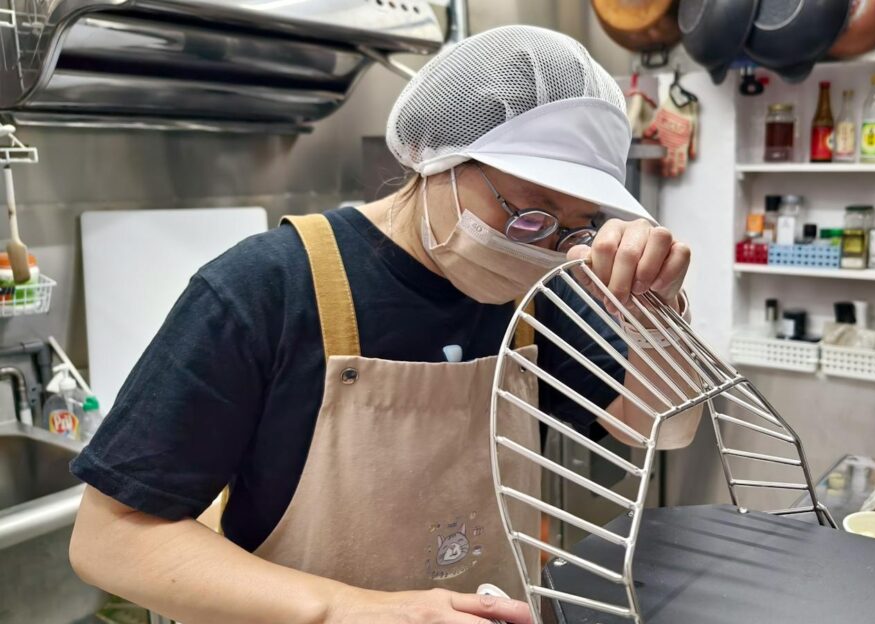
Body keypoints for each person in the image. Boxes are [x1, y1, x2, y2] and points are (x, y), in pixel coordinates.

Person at [67, 25, 702, 624]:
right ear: (438, 157)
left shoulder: (539, 294)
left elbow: (659, 427)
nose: (541, 247)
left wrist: (655, 320)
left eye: (576, 225)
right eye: (527, 213)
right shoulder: (270, 288)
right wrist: (353, 609)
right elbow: (109, 537)